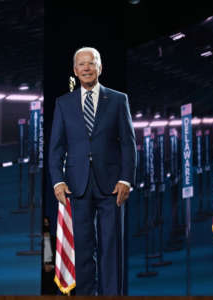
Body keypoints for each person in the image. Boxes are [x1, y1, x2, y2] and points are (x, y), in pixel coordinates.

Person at [49, 47, 137, 295]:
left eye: (91, 63)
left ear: (100, 67)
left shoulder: (119, 100)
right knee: (83, 248)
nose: (87, 68)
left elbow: (129, 144)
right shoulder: (63, 103)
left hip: (111, 186)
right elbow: (56, 146)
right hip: (76, 186)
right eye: (82, 64)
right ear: (75, 71)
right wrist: (57, 181)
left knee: (111, 248)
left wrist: (126, 179)